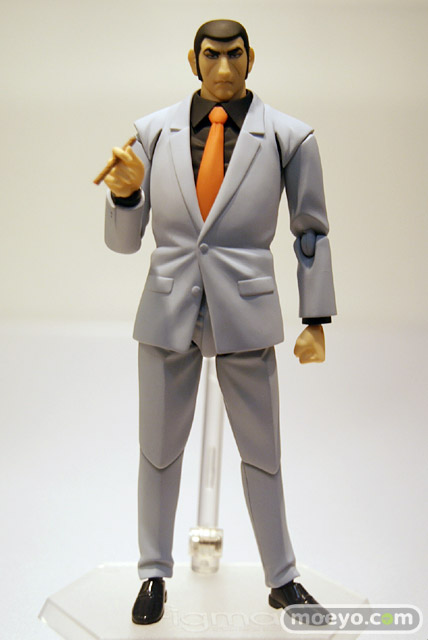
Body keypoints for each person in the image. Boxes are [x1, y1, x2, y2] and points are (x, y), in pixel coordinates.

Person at [101, 19, 336, 625]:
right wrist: (125, 195)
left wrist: (316, 316)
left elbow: (310, 232)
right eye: (212, 56)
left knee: (263, 453)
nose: (224, 69)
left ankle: (281, 578)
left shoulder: (289, 137)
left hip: (246, 310)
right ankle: (153, 573)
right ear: (193, 60)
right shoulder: (152, 133)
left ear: (252, 57)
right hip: (168, 308)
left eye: (235, 56)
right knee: (157, 451)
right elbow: (124, 242)